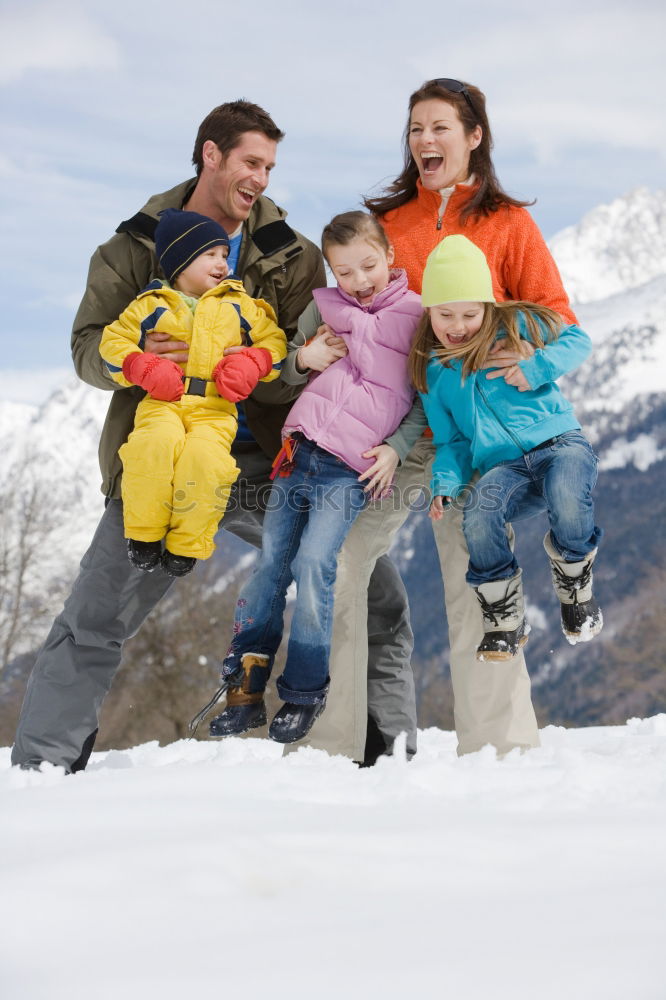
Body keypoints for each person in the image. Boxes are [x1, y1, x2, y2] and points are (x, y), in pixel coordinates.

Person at [11, 100, 326, 772]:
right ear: (210, 154)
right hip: (159, 454)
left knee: (360, 586)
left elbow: (311, 363)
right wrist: (135, 358)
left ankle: (362, 757)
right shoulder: (134, 244)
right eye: (250, 162)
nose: (261, 179)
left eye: (270, 167)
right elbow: (86, 347)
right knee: (93, 618)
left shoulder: (293, 257)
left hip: (268, 467)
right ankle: (42, 770)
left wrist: (267, 364)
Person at [302, 78, 582, 761]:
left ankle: (500, 748)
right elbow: (335, 306)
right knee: (335, 564)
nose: (425, 140)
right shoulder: (386, 225)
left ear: (474, 136)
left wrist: (522, 345)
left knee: (477, 582)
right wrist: (309, 355)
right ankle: (325, 748)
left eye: (440, 128)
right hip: (388, 442)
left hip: (470, 438)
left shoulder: (508, 223)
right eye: (416, 129)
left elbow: (556, 316)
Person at [207, 211, 423, 744]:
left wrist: (396, 450)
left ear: (389, 257)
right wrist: (307, 357)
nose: (359, 281)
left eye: (368, 266)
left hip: (349, 470)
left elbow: (426, 401)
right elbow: (280, 372)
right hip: (297, 453)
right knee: (270, 568)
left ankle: (305, 690)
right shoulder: (323, 309)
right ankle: (245, 686)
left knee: (314, 565)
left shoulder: (418, 318)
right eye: (344, 272)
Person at [414, 234, 603, 658]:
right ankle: (504, 619)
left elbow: (578, 342)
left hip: (559, 444)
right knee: (479, 513)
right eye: (446, 314)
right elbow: (453, 441)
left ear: (487, 306)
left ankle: (575, 586)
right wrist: (445, 481)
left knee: (568, 496)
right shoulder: (435, 371)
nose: (458, 326)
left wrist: (536, 367)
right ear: (429, 310)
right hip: (506, 468)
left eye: (469, 313)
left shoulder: (515, 324)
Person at [99, 208, 287, 577]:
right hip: (163, 403)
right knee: (151, 448)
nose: (222, 262)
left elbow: (275, 342)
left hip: (215, 408)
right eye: (210, 255)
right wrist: (143, 365)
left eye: (223, 254)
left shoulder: (239, 305)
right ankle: (144, 535)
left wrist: (253, 361)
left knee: (206, 462)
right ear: (181, 262)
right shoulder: (152, 305)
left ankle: (187, 543)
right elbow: (113, 343)